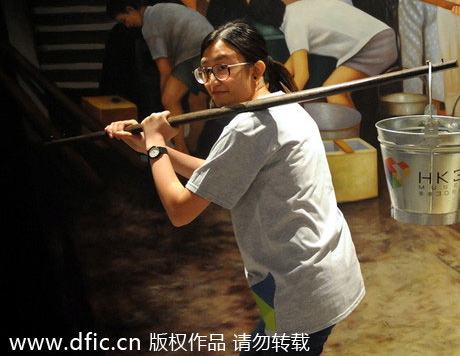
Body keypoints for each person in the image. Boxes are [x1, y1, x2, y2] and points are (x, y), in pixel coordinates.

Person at [104, 21, 364, 353]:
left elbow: (180, 209)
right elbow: (223, 176)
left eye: (223, 69)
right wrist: (158, 151)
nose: (212, 81)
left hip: (300, 289)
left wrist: (155, 145)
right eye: (206, 72)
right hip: (318, 275)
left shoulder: (252, 125)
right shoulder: (284, 103)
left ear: (256, 71)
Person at [247, 0, 397, 108]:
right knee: (335, 90)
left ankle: (351, 140)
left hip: (376, 43)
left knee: (334, 92)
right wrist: (269, 87)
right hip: (376, 38)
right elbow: (292, 65)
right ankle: (349, 139)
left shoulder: (294, 25)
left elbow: (302, 75)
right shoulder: (295, 11)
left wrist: (283, 104)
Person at [106, 0, 212, 153]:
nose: (127, 25)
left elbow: (164, 70)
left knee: (169, 99)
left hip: (194, 51)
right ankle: (192, 146)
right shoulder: (159, 10)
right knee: (196, 102)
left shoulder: (150, 24)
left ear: (130, 9)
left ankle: (182, 148)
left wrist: (161, 101)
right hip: (209, 47)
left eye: (124, 19)